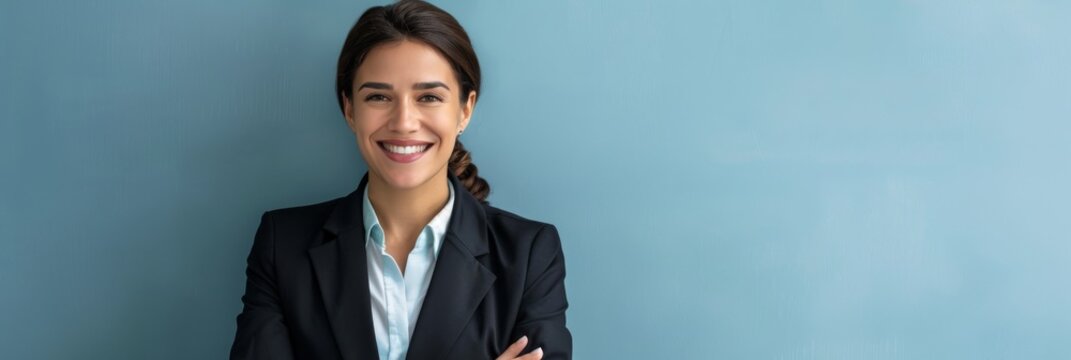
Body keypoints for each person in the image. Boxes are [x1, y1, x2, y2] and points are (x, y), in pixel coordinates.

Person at [229, 1, 572, 359]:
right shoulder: (282, 245)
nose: (404, 122)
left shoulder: (530, 254)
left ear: (465, 109)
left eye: (429, 97)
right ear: (349, 109)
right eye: (378, 96)